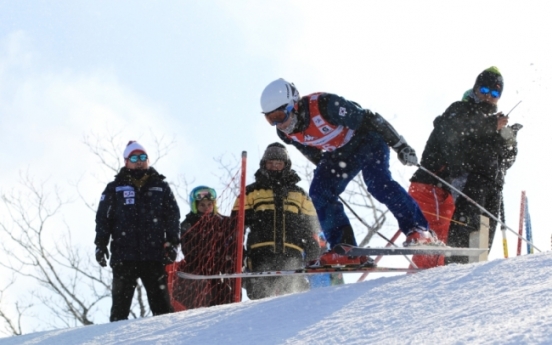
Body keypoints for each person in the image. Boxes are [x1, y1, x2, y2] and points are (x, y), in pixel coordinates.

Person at [259, 78, 442, 267]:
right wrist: (325, 174)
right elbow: (312, 151)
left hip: (367, 140)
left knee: (378, 184)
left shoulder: (325, 106)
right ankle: (345, 249)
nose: (279, 124)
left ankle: (419, 230)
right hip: (340, 153)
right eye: (270, 119)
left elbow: (371, 118)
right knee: (320, 191)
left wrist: (400, 145)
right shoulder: (285, 134)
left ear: (294, 105)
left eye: (280, 115)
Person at [94, 140, 181, 322]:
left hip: (153, 255)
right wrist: (100, 245)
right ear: (126, 161)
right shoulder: (114, 188)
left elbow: (172, 217)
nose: (139, 161)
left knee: (162, 309)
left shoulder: (160, 187)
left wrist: (173, 243)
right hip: (124, 256)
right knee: (119, 311)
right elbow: (103, 219)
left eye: (143, 157)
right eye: (134, 157)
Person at [441, 67, 521, 264]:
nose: (489, 97)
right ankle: (450, 273)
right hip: (469, 178)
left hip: (494, 186)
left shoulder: (497, 121)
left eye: (495, 94)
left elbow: (505, 161)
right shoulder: (462, 109)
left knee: (482, 246)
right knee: (465, 235)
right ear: (476, 89)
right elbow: (456, 133)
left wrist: (509, 142)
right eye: (484, 91)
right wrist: (492, 126)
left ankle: (474, 285)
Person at [232, 142, 320, 299]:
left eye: (278, 163)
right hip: (260, 251)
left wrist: (313, 245)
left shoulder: (299, 194)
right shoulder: (251, 192)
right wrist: (236, 249)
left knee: (294, 297)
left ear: (285, 165)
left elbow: (310, 224)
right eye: (270, 163)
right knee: (259, 295)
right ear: (264, 164)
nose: (274, 167)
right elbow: (235, 225)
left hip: (292, 251)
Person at [173, 186, 237, 309]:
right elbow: (188, 249)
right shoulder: (188, 224)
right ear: (195, 206)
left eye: (209, 204)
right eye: (202, 205)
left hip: (220, 269)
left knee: (226, 299)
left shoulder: (223, 221)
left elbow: (233, 242)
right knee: (195, 300)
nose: (206, 208)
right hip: (196, 269)